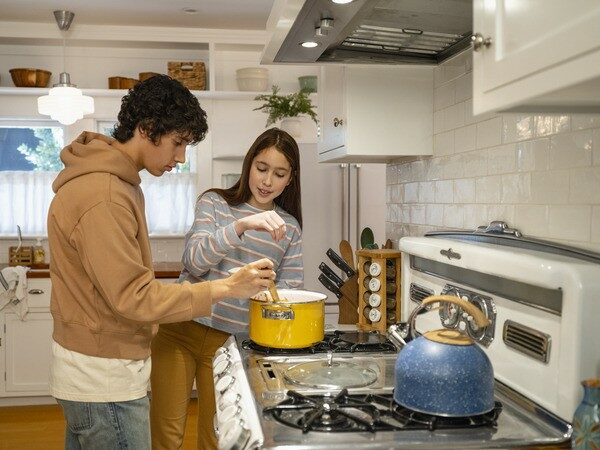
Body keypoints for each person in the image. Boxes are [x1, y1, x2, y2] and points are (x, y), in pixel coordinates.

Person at [47, 75, 275, 450]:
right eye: (178, 143)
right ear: (146, 129)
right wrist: (227, 287)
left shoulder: (116, 184)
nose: (181, 157)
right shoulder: (104, 194)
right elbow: (134, 297)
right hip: (105, 379)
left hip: (97, 370)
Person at [150, 127, 304, 449]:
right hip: (180, 329)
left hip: (229, 344)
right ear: (249, 165)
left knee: (217, 438)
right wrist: (241, 226)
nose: (266, 181)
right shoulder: (215, 203)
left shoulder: (289, 227)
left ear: (289, 179)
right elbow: (194, 261)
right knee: (167, 436)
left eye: (278, 174)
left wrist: (264, 288)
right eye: (261, 169)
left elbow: (290, 292)